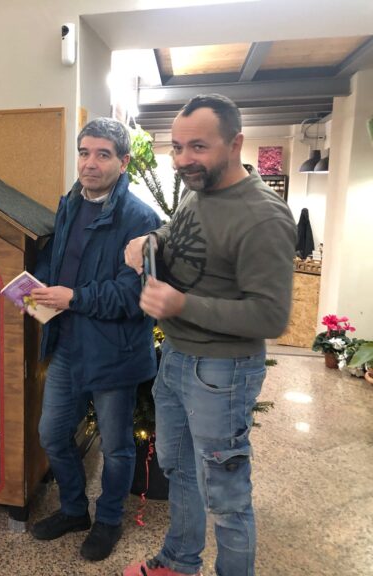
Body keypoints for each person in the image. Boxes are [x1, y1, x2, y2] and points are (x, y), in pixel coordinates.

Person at [122, 94, 296, 576]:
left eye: (197, 146)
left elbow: (271, 316)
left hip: (223, 372)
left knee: (226, 496)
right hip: (176, 359)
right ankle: (179, 562)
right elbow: (179, 241)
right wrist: (151, 241)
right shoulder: (199, 192)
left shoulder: (263, 216)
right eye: (176, 147)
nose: (183, 160)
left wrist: (182, 305)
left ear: (235, 142)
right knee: (179, 472)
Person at [28, 117, 161, 561]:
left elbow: (132, 295)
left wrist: (74, 297)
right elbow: (58, 261)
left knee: (118, 447)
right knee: (51, 433)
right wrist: (38, 290)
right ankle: (73, 509)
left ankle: (108, 522)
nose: (90, 163)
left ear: (123, 162)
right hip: (67, 344)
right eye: (84, 152)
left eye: (102, 154)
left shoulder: (141, 219)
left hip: (114, 352)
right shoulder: (69, 203)